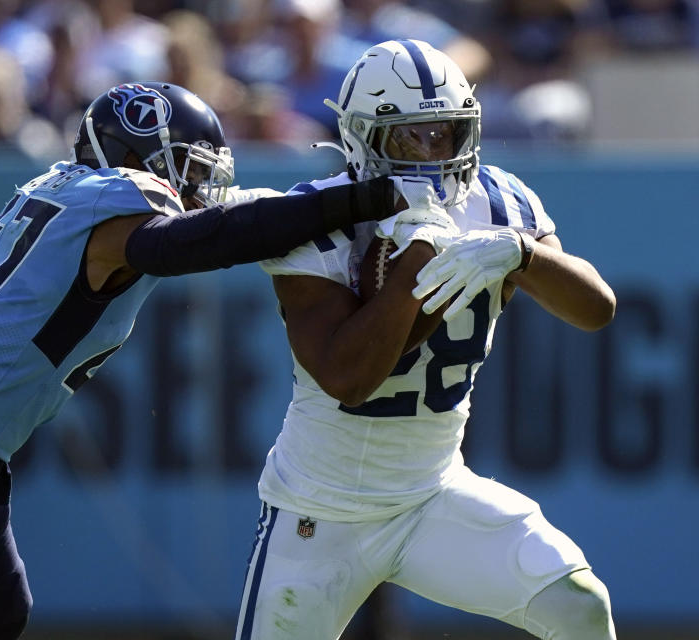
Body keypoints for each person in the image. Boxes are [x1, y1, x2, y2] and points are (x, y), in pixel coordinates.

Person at [0, 81, 411, 640]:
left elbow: (237, 214)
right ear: (132, 154)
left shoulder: (72, 188)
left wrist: (333, 196)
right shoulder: (117, 207)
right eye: (185, 167)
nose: (198, 187)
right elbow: (189, 244)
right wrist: (354, 202)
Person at [235, 40, 617, 640]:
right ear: (361, 139)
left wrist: (524, 254)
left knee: (579, 606)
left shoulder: (499, 203)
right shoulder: (314, 218)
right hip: (320, 510)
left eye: (447, 134)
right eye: (409, 137)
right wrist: (420, 255)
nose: (433, 154)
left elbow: (597, 310)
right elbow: (350, 379)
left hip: (432, 494)